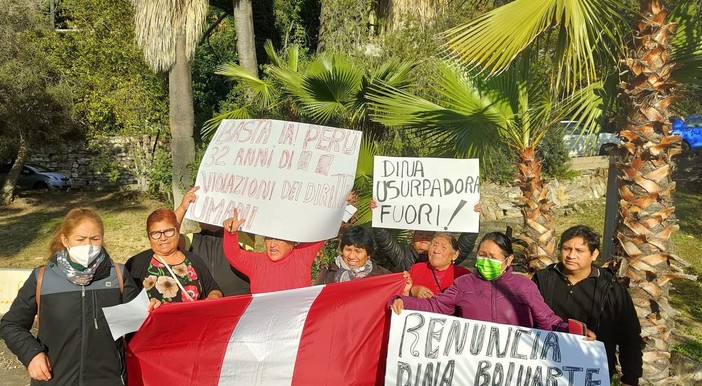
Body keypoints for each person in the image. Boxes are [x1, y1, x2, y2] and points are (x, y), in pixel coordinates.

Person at [0, 208, 139, 385]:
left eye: (95, 239)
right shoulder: (42, 278)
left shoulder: (118, 276)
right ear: (65, 240)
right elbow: (11, 324)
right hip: (55, 380)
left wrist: (150, 313)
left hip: (108, 379)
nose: (88, 246)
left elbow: (137, 330)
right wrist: (32, 354)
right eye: (80, 239)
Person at [391, 232, 569, 331]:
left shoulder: (524, 287)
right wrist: (403, 301)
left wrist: (574, 332)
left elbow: (547, 320)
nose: (486, 260)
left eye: (492, 256)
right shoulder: (464, 284)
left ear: (508, 260)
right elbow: (435, 305)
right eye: (482, 255)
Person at [532, 225, 642, 386]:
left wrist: (630, 380)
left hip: (592, 375)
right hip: (545, 371)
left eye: (579, 250)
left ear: (594, 254)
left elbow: (630, 336)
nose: (571, 255)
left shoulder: (610, 288)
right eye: (566, 249)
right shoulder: (543, 280)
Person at [126, 208, 223, 305]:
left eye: (168, 231)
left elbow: (214, 289)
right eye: (156, 234)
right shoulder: (136, 263)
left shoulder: (194, 261)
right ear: (149, 237)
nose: (163, 238)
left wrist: (213, 297)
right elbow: (126, 300)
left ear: (177, 232)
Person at [222, 209, 326, 294]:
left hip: (295, 318)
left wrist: (339, 204)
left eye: (278, 239)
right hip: (264, 318)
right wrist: (230, 233)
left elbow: (323, 228)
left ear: (292, 243)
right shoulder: (257, 263)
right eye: (268, 239)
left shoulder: (302, 256)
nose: (272, 245)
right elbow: (234, 255)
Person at [174, 186, 252, 296]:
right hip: (205, 303)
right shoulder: (191, 239)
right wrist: (182, 208)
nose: (211, 213)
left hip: (239, 302)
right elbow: (169, 234)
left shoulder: (240, 237)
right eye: (204, 208)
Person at [370, 200, 480, 272]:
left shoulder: (445, 256)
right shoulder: (401, 256)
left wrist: (473, 216)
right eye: (420, 234)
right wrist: (378, 212)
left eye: (429, 235)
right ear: (412, 240)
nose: (424, 237)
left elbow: (465, 244)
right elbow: (383, 239)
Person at [314, 226, 391, 284]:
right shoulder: (328, 273)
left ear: (368, 254)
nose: (351, 257)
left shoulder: (382, 277)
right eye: (348, 250)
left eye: (358, 252)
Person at [406, 233, 471, 298]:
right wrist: (412, 291)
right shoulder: (416, 269)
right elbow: (399, 295)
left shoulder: (463, 275)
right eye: (434, 245)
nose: (436, 251)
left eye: (444, 247)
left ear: (455, 255)